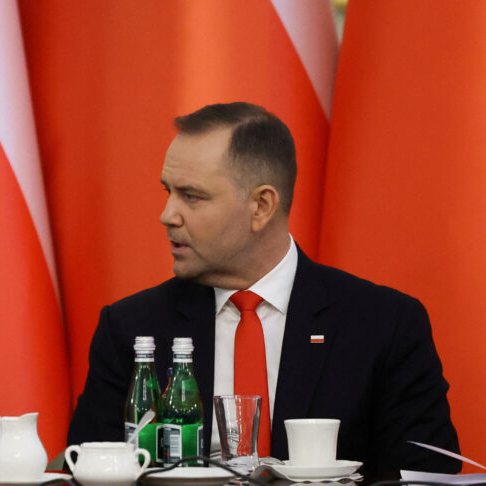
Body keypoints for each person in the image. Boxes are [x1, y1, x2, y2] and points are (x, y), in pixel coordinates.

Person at [67, 102, 461, 474]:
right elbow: (88, 469)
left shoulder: (382, 325)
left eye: (191, 196)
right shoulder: (132, 328)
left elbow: (427, 475)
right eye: (167, 191)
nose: (167, 215)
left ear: (261, 207)